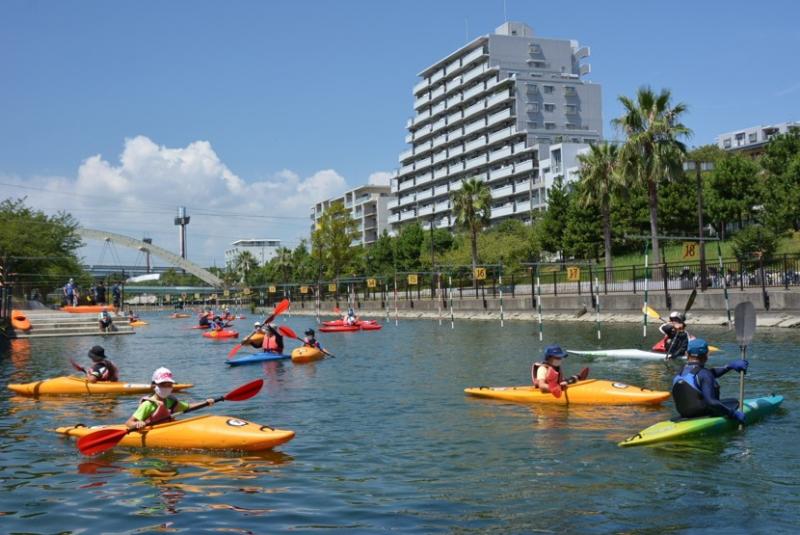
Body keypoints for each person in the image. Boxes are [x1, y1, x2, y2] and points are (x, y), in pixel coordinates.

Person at [671, 339, 748, 423]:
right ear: (706, 355)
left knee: (728, 401)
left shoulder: (679, 373)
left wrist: (729, 366)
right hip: (703, 414)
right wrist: (732, 414)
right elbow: (711, 402)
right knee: (734, 402)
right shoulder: (705, 374)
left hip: (684, 414)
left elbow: (708, 374)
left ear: (686, 354)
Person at [125, 368, 214, 430]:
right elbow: (129, 422)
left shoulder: (171, 401)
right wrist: (137, 424)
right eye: (163, 385)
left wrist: (205, 403)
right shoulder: (148, 404)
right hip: (152, 432)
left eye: (169, 385)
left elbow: (188, 407)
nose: (167, 388)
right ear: (154, 386)